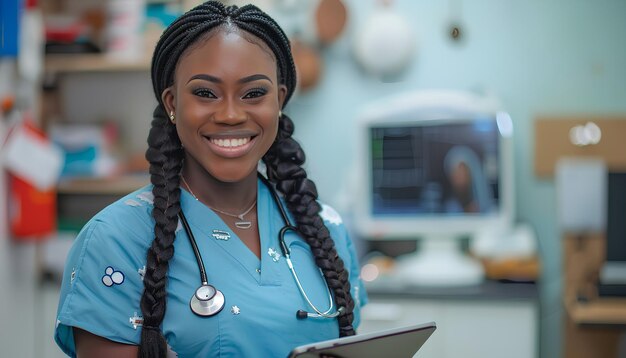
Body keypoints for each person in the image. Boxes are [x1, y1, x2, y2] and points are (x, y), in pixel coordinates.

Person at [54, 2, 367, 357]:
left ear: (279, 101)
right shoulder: (115, 240)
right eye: (205, 93)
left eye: (254, 93)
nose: (231, 114)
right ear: (172, 103)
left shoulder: (327, 230)